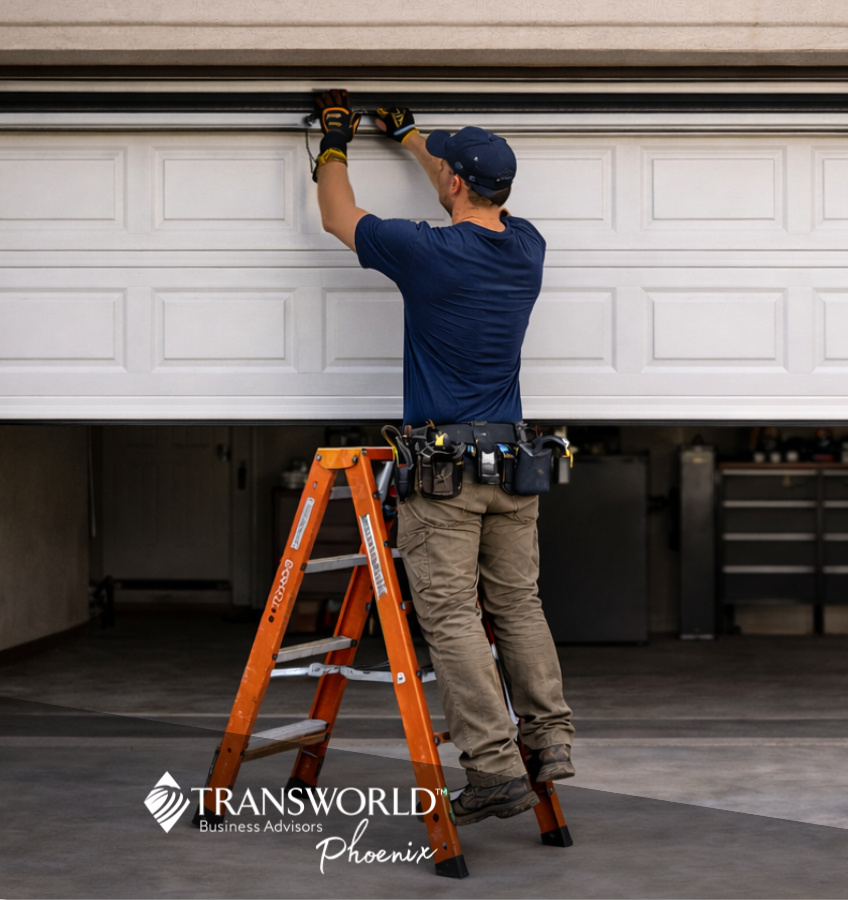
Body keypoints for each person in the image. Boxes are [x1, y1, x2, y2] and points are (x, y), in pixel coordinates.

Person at [310, 90, 575, 824]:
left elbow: (336, 215)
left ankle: (493, 769)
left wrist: (334, 141)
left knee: (453, 616)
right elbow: (454, 183)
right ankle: (549, 741)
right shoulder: (528, 248)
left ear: (456, 183)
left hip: (445, 477)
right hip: (513, 468)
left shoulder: (427, 252)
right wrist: (412, 136)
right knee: (518, 604)